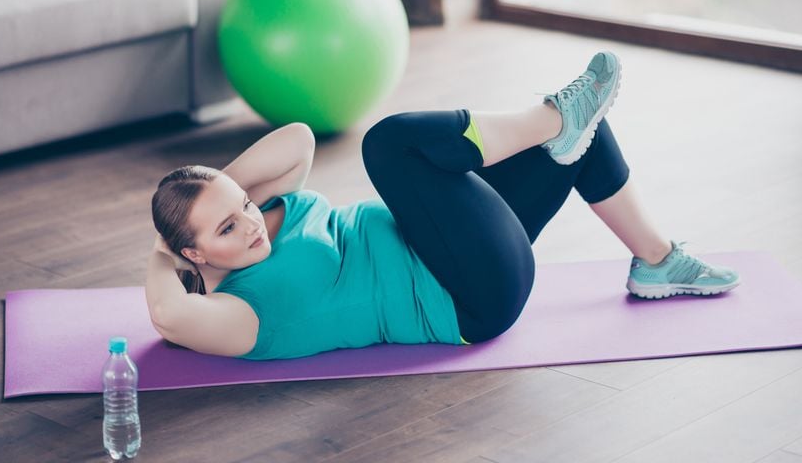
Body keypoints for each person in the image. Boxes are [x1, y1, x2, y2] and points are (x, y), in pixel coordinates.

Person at [146, 51, 740, 360]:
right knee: (387, 145)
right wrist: (161, 245)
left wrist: (208, 191)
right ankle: (555, 115)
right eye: (228, 226)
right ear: (193, 251)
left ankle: (655, 259)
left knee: (581, 140)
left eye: (244, 205)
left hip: (449, 239)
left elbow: (297, 138)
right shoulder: (240, 313)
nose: (250, 222)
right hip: (467, 297)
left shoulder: (263, 221)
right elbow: (170, 317)